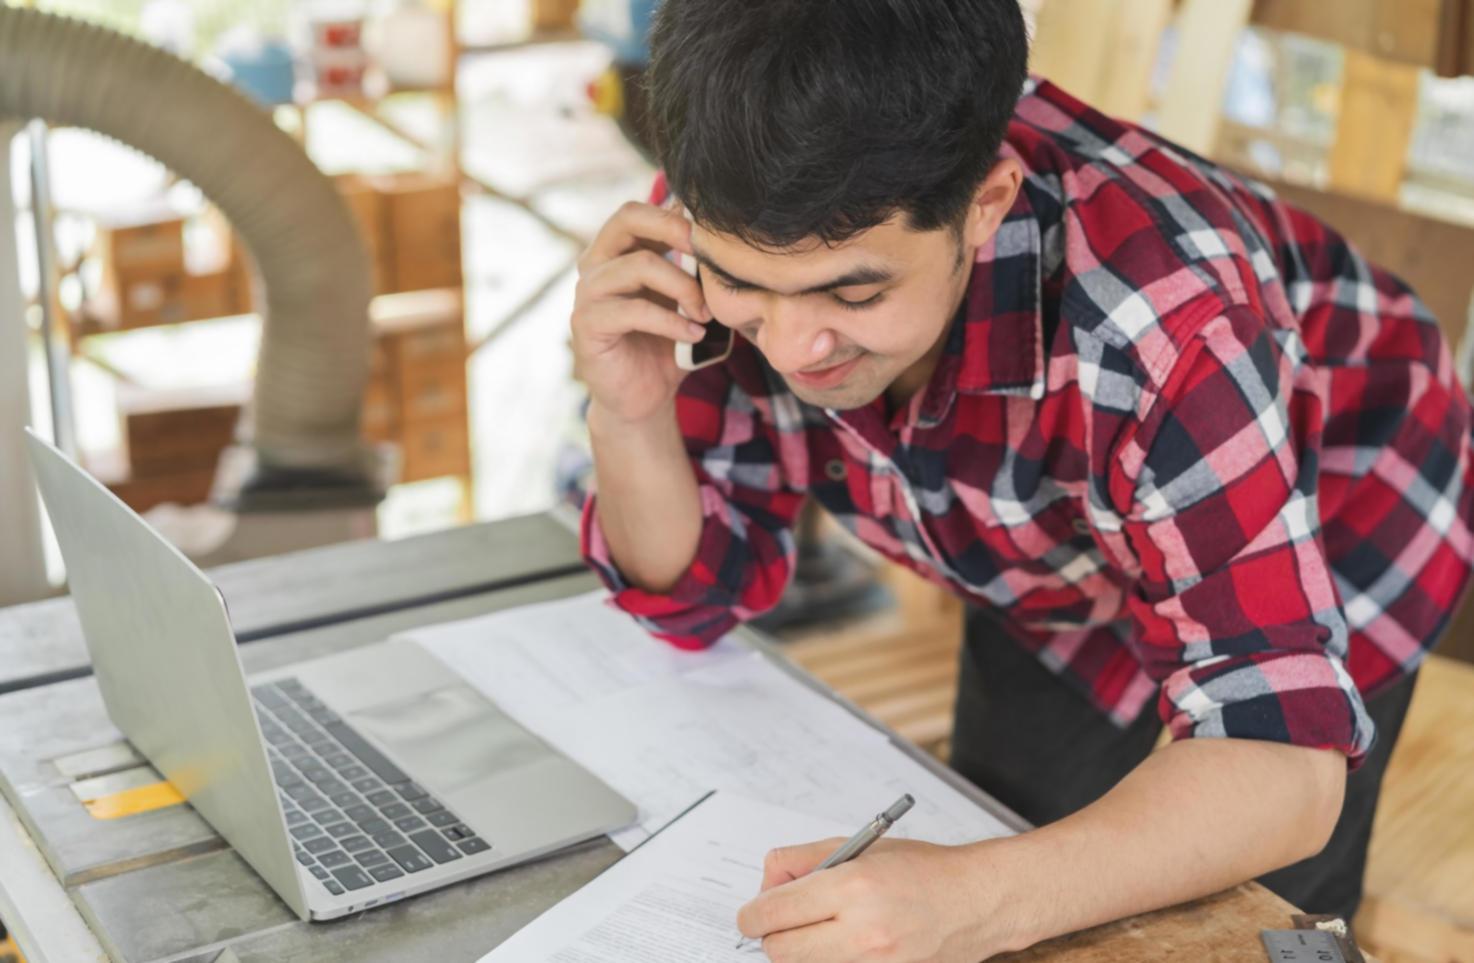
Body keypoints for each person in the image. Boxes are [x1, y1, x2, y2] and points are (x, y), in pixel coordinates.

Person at [568, 1, 1474, 959]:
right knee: (1008, 841)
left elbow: (1285, 764)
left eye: (856, 291)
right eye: (743, 285)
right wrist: (627, 412)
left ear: (987, 203)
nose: (794, 348)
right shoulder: (736, 204)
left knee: (1246, 919)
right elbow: (693, 592)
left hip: (1343, 488)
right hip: (1059, 566)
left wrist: (974, 898)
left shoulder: (1168, 322)